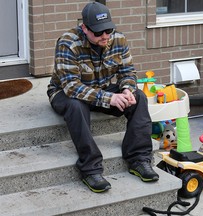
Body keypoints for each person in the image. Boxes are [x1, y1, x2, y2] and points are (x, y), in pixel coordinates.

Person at [47, 2, 159, 193]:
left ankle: (139, 159)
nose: (105, 36)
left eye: (108, 29)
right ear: (84, 28)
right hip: (65, 93)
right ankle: (90, 169)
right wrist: (109, 99)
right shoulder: (68, 43)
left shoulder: (118, 39)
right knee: (76, 106)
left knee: (138, 97)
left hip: (102, 89)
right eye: (98, 32)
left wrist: (126, 90)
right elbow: (71, 87)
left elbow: (128, 72)